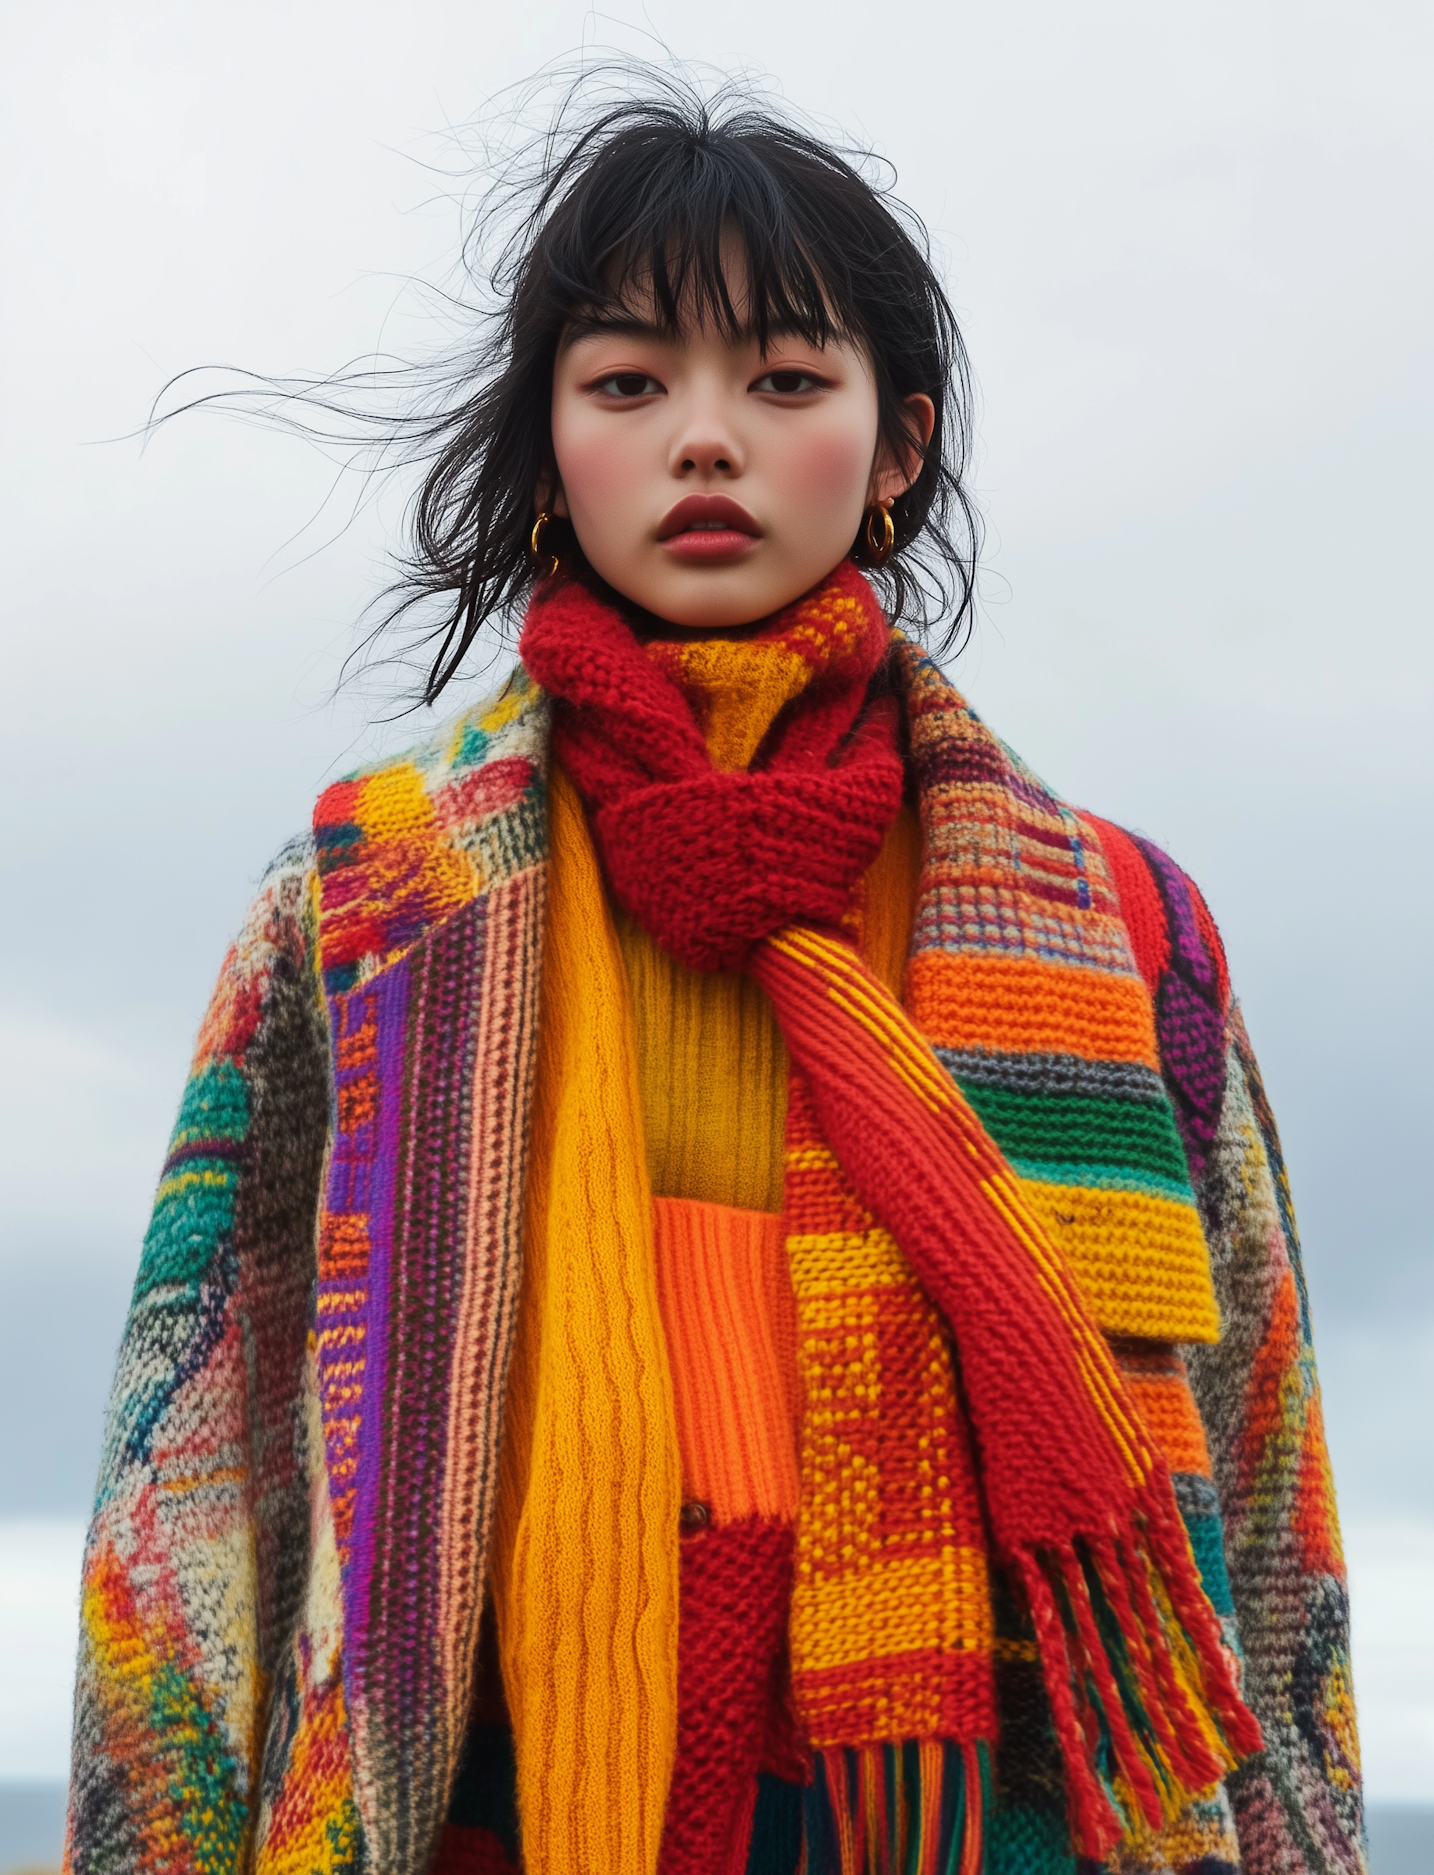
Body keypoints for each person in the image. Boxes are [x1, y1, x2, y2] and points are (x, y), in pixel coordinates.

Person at [64, 74, 1366, 1875]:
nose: (703, 438)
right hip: (489, 1796)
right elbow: (192, 1454)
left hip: (993, 1810)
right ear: (551, 443)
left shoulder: (1122, 922)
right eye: (628, 382)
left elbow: (1259, 1480)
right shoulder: (365, 908)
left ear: (895, 445)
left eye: (783, 379)